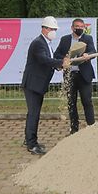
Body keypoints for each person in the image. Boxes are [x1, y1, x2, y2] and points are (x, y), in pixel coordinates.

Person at [21, 16, 70, 155]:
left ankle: (28, 139)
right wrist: (60, 63)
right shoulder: (38, 43)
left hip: (37, 85)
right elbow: (44, 60)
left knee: (33, 113)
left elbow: (49, 61)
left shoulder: (46, 43)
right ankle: (32, 144)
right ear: (44, 28)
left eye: (55, 29)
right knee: (33, 114)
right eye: (52, 29)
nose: (54, 31)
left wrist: (59, 64)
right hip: (32, 85)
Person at [54, 18, 96, 134]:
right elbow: (56, 54)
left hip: (84, 75)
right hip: (70, 76)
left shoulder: (88, 38)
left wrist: (88, 55)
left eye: (82, 26)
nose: (79, 28)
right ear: (72, 28)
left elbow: (93, 51)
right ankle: (74, 129)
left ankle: (91, 127)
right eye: (77, 26)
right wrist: (64, 59)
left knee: (87, 101)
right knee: (71, 102)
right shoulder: (65, 40)